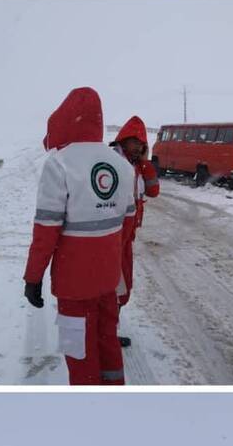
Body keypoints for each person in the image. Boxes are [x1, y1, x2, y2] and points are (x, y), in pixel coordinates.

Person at [23, 87, 135, 385]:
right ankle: (114, 391)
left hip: (74, 286)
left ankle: (88, 403)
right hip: (108, 280)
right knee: (108, 342)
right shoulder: (122, 166)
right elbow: (127, 230)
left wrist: (33, 277)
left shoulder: (59, 164)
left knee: (81, 353)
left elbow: (45, 232)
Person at [109, 116, 160, 345]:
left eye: (142, 143)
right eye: (135, 141)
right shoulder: (112, 161)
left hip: (127, 236)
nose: (139, 146)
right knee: (114, 285)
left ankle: (109, 330)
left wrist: (145, 162)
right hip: (112, 235)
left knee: (122, 286)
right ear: (124, 140)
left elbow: (153, 191)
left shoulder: (138, 165)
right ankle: (106, 333)